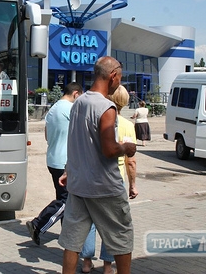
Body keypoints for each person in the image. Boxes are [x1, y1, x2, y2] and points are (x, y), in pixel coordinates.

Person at [58, 56, 136, 274]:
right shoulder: (106, 107)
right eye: (119, 77)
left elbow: (75, 141)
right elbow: (110, 149)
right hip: (104, 188)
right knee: (121, 238)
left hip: (78, 185)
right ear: (112, 76)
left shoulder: (79, 102)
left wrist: (68, 170)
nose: (120, 82)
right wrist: (126, 148)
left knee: (72, 241)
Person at [25, 82, 95, 272]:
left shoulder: (54, 108)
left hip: (53, 159)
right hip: (66, 163)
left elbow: (47, 136)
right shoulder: (71, 109)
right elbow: (83, 134)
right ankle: (38, 225)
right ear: (75, 94)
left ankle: (68, 237)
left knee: (65, 200)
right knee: (66, 200)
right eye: (80, 96)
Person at [97, 85, 138, 274]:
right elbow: (131, 161)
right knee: (113, 224)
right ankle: (107, 265)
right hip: (116, 178)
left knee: (91, 221)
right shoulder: (128, 125)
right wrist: (133, 185)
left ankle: (87, 260)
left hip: (96, 176)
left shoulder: (101, 119)